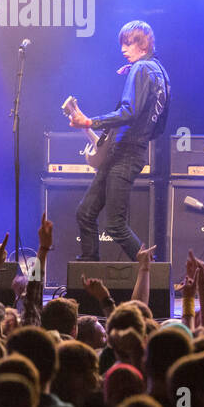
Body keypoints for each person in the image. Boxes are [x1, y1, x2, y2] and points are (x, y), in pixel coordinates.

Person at [66, 21, 170, 262]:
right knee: (85, 213)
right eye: (122, 43)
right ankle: (89, 273)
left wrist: (90, 122)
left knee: (115, 225)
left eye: (128, 43)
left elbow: (129, 112)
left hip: (126, 155)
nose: (123, 49)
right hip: (127, 152)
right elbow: (159, 125)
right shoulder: (160, 72)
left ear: (143, 44)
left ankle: (151, 274)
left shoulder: (142, 69)